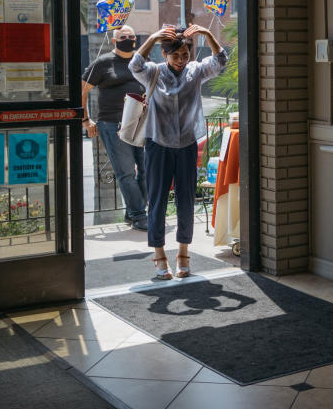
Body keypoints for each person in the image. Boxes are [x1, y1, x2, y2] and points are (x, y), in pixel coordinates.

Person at [129, 23, 226, 279]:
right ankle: (159, 255)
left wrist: (207, 34)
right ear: (165, 55)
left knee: (186, 201)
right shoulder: (153, 72)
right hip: (157, 144)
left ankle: (183, 253)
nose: (181, 60)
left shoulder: (195, 71)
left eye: (185, 55)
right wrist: (152, 37)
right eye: (175, 55)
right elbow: (135, 65)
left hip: (186, 144)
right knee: (158, 201)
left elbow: (220, 60)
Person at [81, 25, 148, 230]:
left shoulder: (142, 61)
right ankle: (139, 216)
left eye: (131, 36)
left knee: (146, 170)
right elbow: (82, 91)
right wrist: (85, 120)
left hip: (141, 123)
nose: (127, 39)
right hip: (112, 124)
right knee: (126, 171)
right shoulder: (103, 63)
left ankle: (133, 212)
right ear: (114, 41)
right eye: (123, 37)